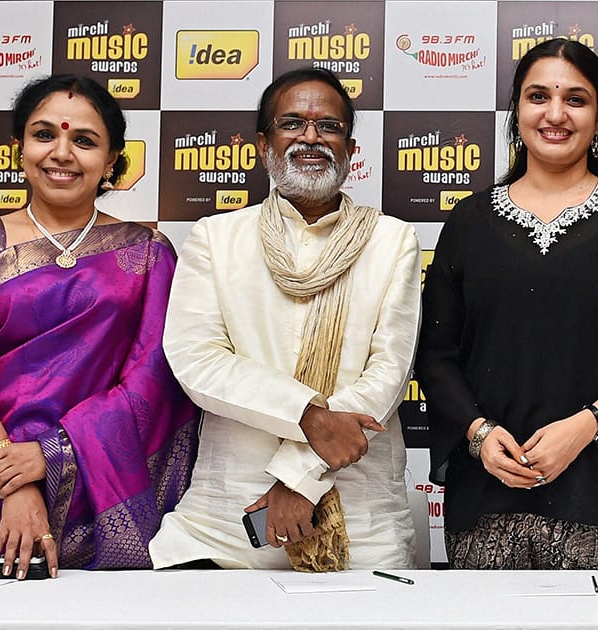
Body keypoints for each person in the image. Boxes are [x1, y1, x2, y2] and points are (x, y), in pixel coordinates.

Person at [416, 40, 598, 570]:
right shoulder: (469, 223)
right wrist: (478, 437)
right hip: (488, 497)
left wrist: (587, 426)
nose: (554, 114)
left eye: (576, 99)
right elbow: (434, 353)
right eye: (537, 96)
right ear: (516, 111)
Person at [148, 68, 421, 571]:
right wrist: (309, 416)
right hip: (228, 518)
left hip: (361, 523)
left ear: (351, 149)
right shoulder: (216, 237)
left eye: (329, 127)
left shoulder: (392, 240)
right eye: (292, 123)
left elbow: (388, 375)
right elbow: (198, 359)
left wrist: (299, 478)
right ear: (262, 144)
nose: (311, 137)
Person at [0, 74, 199, 579]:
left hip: (101, 488)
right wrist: (14, 480)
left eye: (83, 141)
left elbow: (154, 383)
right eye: (44, 134)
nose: (61, 152)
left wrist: (51, 454)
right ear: (18, 147)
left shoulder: (149, 253)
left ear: (112, 162)